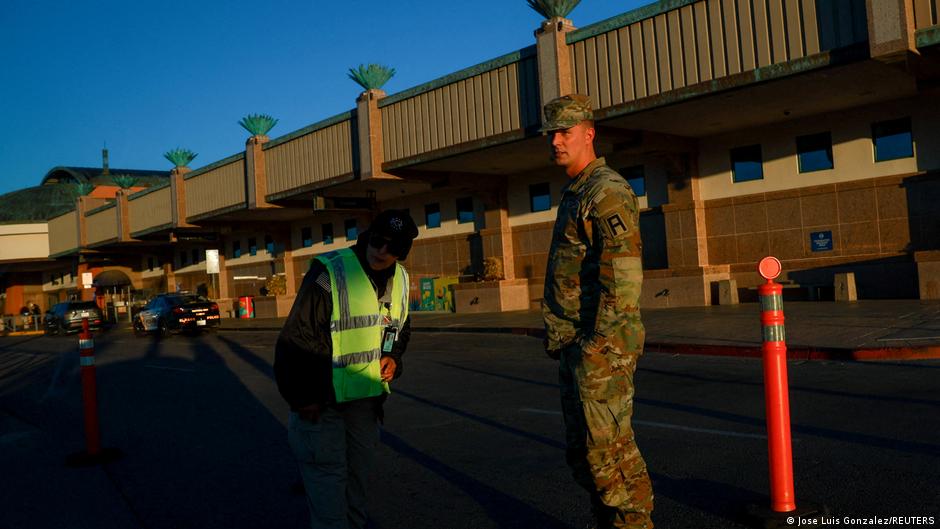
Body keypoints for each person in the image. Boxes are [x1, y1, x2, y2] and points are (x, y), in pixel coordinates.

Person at [540, 94, 654, 529]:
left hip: (600, 351)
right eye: (551, 133)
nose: (555, 141)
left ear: (589, 133)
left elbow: (623, 281)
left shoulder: (605, 191)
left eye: (564, 132)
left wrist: (596, 346)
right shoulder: (576, 191)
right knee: (586, 457)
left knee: (612, 457)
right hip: (577, 346)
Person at [275, 209, 419, 529]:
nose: (382, 251)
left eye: (393, 248)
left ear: (403, 252)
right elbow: (296, 337)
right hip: (320, 402)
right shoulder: (331, 272)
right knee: (328, 492)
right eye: (378, 241)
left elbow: (398, 329)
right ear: (368, 236)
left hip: (364, 402)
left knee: (357, 489)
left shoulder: (402, 280)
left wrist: (393, 358)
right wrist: (303, 399)